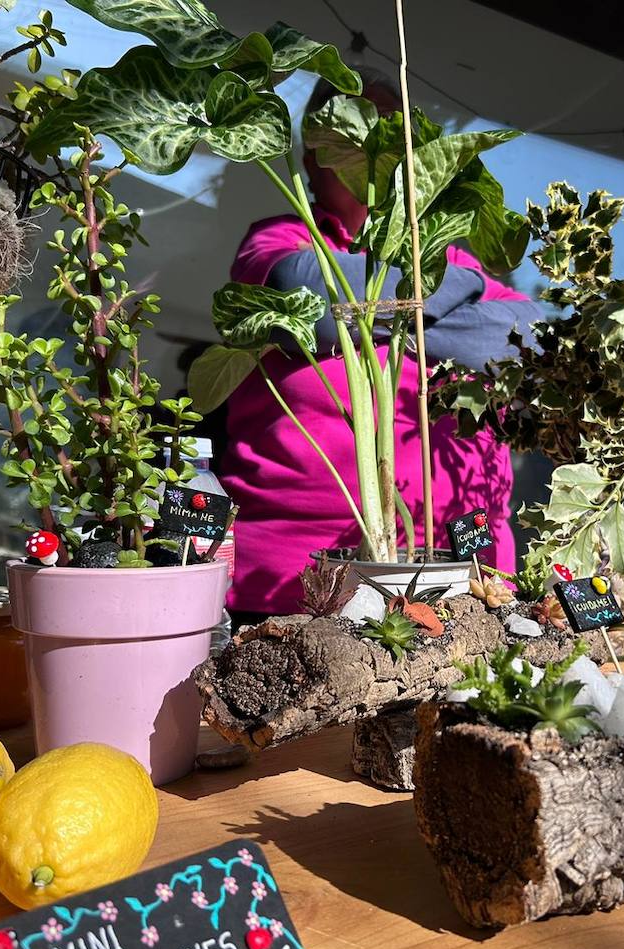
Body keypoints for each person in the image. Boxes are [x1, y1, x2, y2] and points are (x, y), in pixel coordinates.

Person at [217, 70, 543, 616]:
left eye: (392, 133)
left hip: (468, 573)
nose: (374, 145)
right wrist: (458, 295)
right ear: (311, 158)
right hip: (297, 579)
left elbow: (529, 337)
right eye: (350, 129)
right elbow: (308, 300)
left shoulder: (453, 255)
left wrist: (390, 307)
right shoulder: (281, 239)